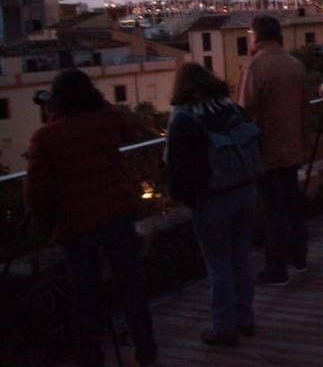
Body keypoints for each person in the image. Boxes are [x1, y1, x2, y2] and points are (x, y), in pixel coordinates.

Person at [24, 69, 158, 367]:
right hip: (118, 213)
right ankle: (146, 350)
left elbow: (37, 193)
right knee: (133, 288)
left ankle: (90, 356)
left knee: (86, 296)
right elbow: (128, 128)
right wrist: (100, 101)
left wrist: (51, 228)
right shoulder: (106, 120)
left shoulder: (46, 136)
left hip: (77, 224)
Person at [167, 62, 258, 346]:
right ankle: (246, 318)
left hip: (212, 199)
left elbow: (179, 168)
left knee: (218, 264)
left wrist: (187, 198)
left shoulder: (184, 119)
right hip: (244, 190)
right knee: (241, 257)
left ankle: (223, 327)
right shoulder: (232, 108)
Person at [238, 15, 310, 286]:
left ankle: (276, 269)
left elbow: (244, 113)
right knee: (293, 205)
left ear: (257, 36)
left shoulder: (255, 68)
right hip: (292, 146)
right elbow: (304, 108)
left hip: (266, 150)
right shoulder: (295, 64)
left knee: (273, 212)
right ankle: (299, 257)